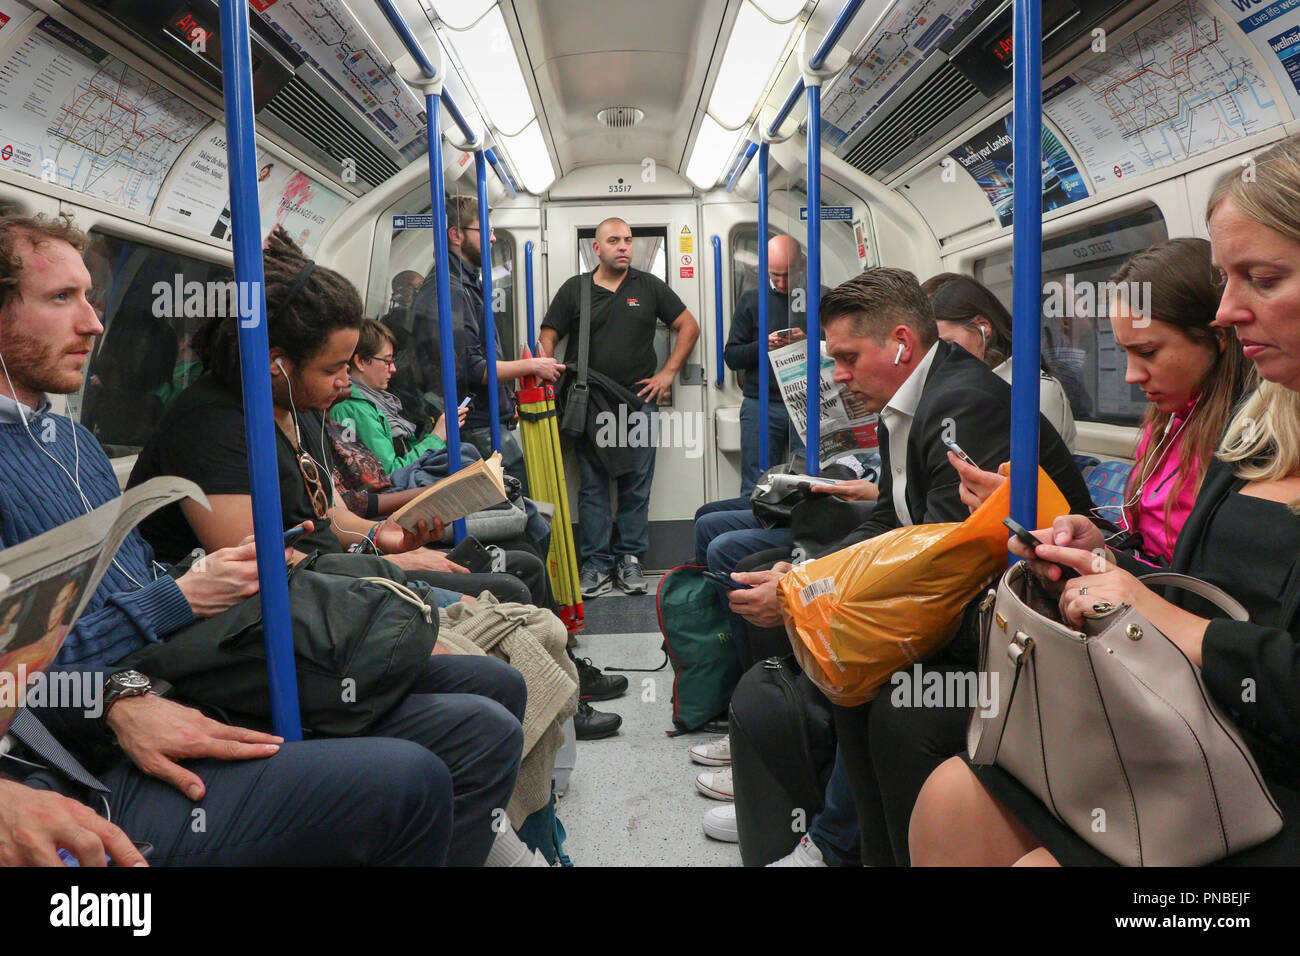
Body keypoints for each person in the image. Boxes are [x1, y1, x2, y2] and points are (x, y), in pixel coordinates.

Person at [0, 212, 456, 866]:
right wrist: (160, 626)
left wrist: (178, 590)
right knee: (413, 776)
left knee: (473, 705)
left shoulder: (72, 441)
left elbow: (119, 591)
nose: (94, 324)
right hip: (85, 742)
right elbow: (26, 657)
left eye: (90, 298)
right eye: (60, 298)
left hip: (148, 678)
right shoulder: (211, 426)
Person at [910, 135, 1300, 866]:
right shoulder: (1257, 436)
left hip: (1261, 771)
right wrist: (1100, 559)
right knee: (948, 798)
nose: (1228, 310)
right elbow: (1181, 572)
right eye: (1225, 280)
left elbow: (1196, 618)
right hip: (1195, 719)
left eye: (1264, 279)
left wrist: (1150, 609)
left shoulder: (1226, 433)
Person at [723, 268, 1094, 865]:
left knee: (896, 704)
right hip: (981, 611)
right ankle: (860, 852)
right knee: (852, 683)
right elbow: (897, 523)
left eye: (846, 358)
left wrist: (802, 593)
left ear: (901, 342)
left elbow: (945, 564)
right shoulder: (913, 402)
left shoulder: (960, 407)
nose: (837, 377)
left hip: (1041, 633)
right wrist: (807, 574)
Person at [129, 227, 546, 611]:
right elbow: (255, 574)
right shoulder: (209, 426)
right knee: (506, 594)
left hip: (332, 570)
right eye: (332, 369)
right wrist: (384, 568)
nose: (345, 383)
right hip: (284, 605)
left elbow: (332, 515)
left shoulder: (301, 408)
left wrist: (383, 538)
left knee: (518, 569)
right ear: (279, 364)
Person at [948, 239, 1253, 565]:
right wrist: (1032, 510)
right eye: (1124, 352)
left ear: (1218, 338)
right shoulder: (1161, 427)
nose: (1131, 376)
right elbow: (1142, 552)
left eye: (1147, 352)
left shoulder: (1246, 448)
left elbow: (1195, 589)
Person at [540, 216, 701, 597]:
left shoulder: (648, 287)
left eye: (628, 240)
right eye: (614, 241)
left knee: (635, 487)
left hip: (639, 402)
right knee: (592, 488)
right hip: (590, 403)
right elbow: (549, 335)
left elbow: (688, 325)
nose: (624, 246)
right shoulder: (575, 290)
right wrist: (544, 369)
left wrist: (667, 374)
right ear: (597, 248)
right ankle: (596, 563)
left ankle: (629, 560)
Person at [411, 195, 563, 493]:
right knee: (516, 501)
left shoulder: (467, 283)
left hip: (484, 415)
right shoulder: (450, 289)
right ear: (456, 235)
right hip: (476, 422)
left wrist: (506, 401)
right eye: (486, 231)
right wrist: (533, 365)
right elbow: (472, 369)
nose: (494, 238)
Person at [922, 273, 1077, 451]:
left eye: (948, 343)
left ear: (983, 326)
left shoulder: (1034, 390)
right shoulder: (960, 387)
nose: (942, 355)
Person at [724, 235, 817, 492]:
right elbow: (732, 357)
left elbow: (840, 349)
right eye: (775, 275)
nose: (782, 282)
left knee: (811, 480)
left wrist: (809, 340)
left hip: (809, 400)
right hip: (761, 403)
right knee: (757, 484)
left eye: (788, 274)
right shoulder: (752, 301)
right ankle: (751, 531)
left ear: (803, 264)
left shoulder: (821, 298)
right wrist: (764, 346)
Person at [331, 318, 452, 473]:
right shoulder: (355, 409)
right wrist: (436, 437)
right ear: (361, 361)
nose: (393, 369)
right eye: (387, 361)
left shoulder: (382, 402)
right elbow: (389, 473)